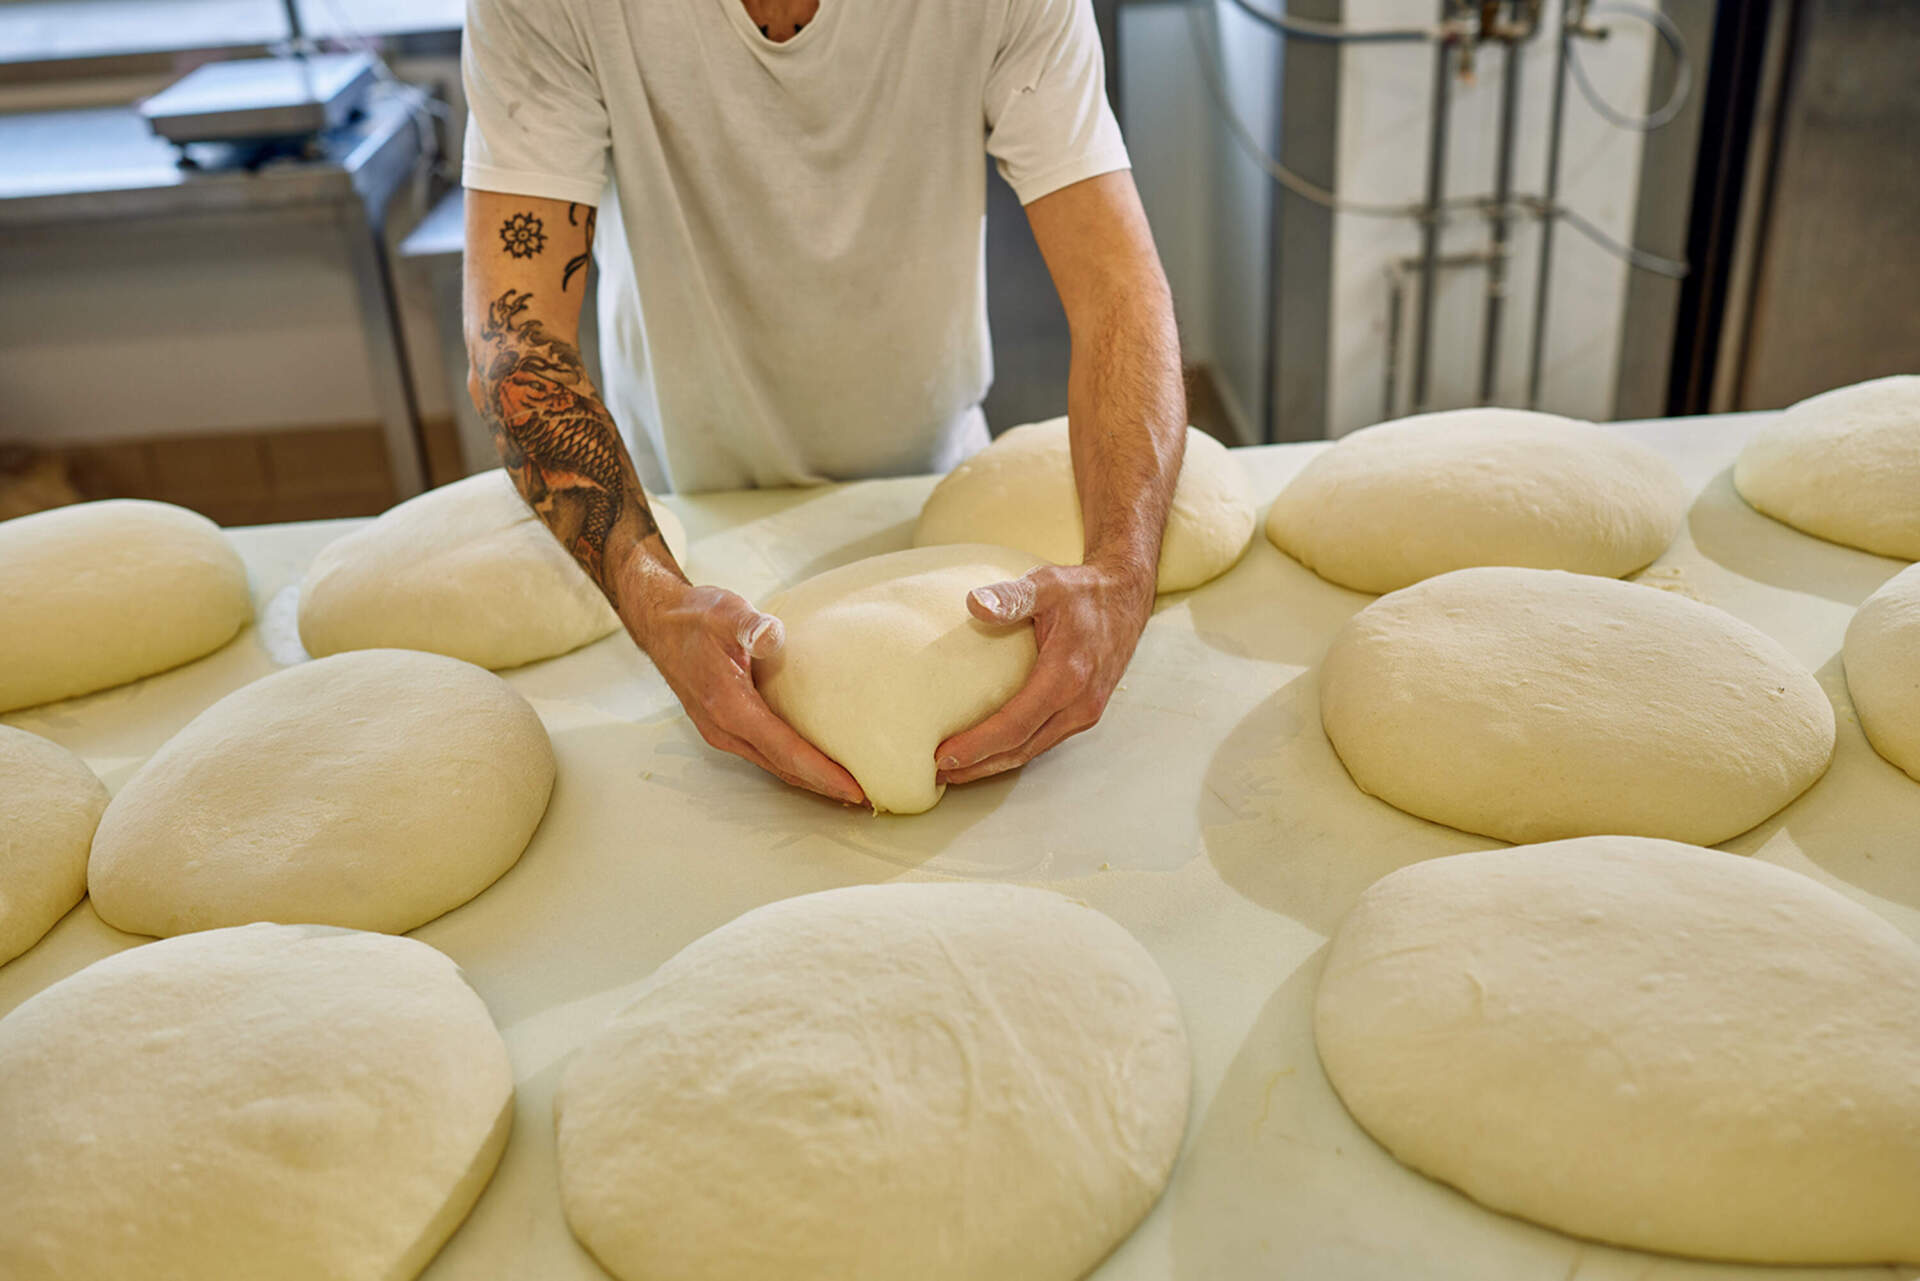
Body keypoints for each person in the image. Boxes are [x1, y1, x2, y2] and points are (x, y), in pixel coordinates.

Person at [461, 0, 1185, 805]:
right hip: (675, 516)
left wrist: (1123, 571)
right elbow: (516, 345)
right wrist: (653, 597)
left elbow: (1117, 288)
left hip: (940, 495)